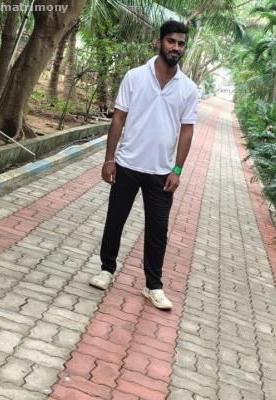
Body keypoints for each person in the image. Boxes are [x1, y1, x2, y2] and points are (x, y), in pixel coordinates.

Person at [89, 20, 198, 310]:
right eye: (171, 41)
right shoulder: (135, 77)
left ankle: (153, 286)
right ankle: (106, 270)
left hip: (161, 173)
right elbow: (118, 119)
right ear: (159, 42)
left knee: (158, 231)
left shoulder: (188, 88)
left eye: (181, 43)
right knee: (115, 220)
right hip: (127, 164)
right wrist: (109, 159)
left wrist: (177, 170)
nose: (176, 47)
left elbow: (187, 131)